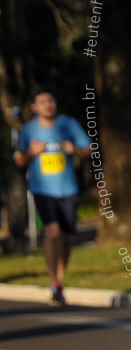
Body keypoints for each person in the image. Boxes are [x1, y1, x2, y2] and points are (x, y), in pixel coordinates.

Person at [13, 90, 91, 307]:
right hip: (42, 189)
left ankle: (60, 280)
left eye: (51, 100)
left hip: (68, 189)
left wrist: (73, 149)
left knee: (65, 238)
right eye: (42, 102)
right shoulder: (28, 130)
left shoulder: (68, 124)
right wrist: (30, 153)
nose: (48, 105)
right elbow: (19, 160)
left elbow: (88, 149)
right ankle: (53, 281)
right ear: (34, 107)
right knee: (52, 231)